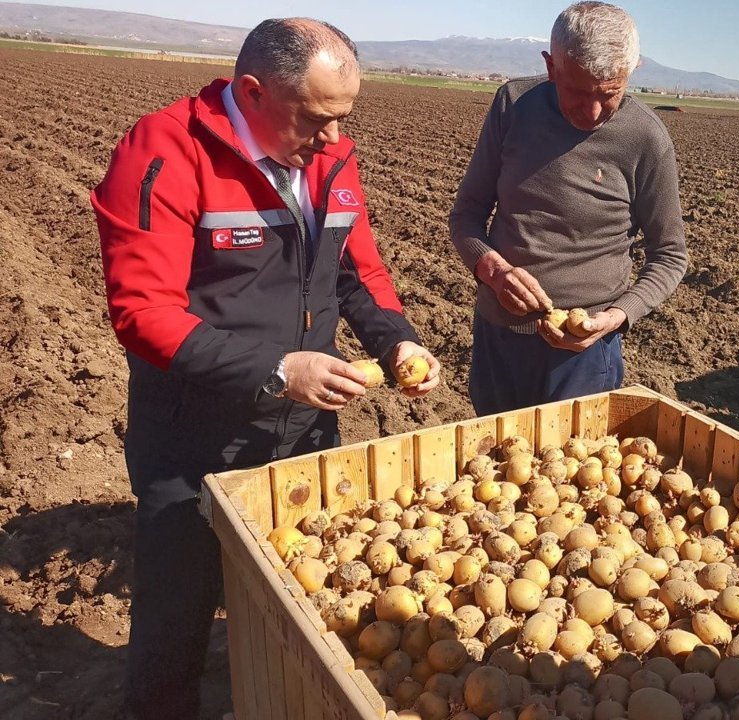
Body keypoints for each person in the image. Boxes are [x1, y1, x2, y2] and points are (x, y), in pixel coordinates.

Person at [91, 18, 441, 718]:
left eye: (344, 118)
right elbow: (143, 312)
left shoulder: (331, 159)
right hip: (196, 437)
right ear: (252, 92)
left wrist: (397, 342)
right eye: (316, 118)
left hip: (305, 429)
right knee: (177, 613)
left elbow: (357, 273)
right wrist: (278, 370)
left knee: (301, 598)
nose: (333, 138)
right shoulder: (165, 151)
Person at [449, 1, 688, 416]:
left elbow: (670, 255)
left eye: (609, 93)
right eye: (577, 91)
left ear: (633, 70)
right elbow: (466, 215)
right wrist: (494, 271)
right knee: (494, 451)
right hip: (499, 340)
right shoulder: (513, 105)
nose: (592, 111)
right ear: (551, 66)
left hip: (584, 355)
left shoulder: (646, 138)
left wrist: (617, 317)